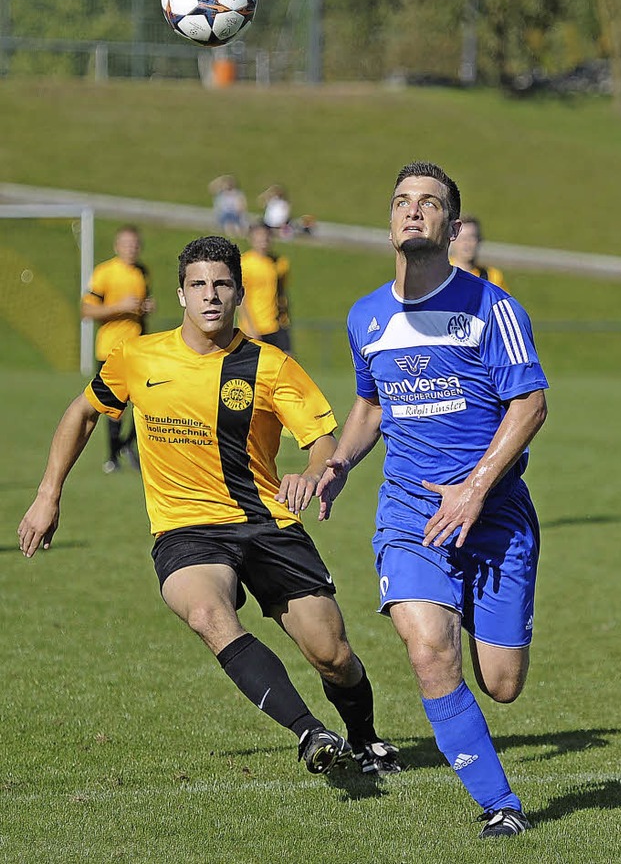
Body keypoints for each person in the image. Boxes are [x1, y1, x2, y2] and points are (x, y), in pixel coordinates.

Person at [18, 235, 400, 779]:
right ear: (180, 293)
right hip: (185, 530)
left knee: (332, 654)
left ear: (239, 292)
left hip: (266, 524)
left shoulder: (269, 365)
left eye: (222, 284)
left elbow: (321, 441)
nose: (210, 295)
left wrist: (313, 474)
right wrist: (47, 494)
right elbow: (82, 413)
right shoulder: (138, 356)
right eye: (198, 284)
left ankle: (364, 739)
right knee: (206, 614)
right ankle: (310, 732)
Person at [316, 162, 548, 837]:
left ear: (451, 225)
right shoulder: (366, 315)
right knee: (428, 650)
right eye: (402, 202)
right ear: (391, 222)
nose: (413, 211)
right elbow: (369, 404)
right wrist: (339, 461)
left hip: (495, 515)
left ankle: (475, 598)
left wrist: (476, 488)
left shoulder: (492, 308)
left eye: (429, 203)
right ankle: (501, 805)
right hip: (410, 514)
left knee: (501, 682)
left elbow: (530, 402)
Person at [81, 224, 155, 473]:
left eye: (135, 244)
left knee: (147, 401)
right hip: (110, 347)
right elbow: (87, 310)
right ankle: (112, 456)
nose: (131, 249)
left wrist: (145, 308)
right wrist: (119, 307)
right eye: (126, 244)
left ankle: (125, 446)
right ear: (117, 247)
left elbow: (139, 310)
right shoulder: (105, 272)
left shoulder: (142, 272)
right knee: (113, 407)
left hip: (138, 347)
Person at [238, 222, 292, 354]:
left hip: (278, 325)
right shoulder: (244, 264)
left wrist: (285, 317)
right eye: (259, 236)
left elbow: (282, 292)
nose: (263, 241)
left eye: (266, 236)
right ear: (251, 238)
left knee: (287, 363)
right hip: (255, 326)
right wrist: (251, 327)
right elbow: (240, 299)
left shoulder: (280, 263)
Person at [448, 215, 509, 291]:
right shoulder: (439, 272)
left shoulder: (493, 277)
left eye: (471, 237)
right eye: (462, 238)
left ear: (480, 240)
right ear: (451, 239)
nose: (466, 243)